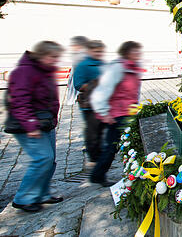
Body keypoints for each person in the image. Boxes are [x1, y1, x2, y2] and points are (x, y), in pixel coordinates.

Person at [4, 41, 65, 212]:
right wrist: (31, 125)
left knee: (50, 160)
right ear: (41, 55)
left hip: (45, 123)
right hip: (28, 125)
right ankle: (24, 198)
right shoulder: (24, 72)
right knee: (42, 158)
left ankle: (42, 193)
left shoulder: (45, 71)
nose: (55, 60)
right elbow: (19, 101)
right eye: (52, 57)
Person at [90, 41, 143, 187]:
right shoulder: (117, 68)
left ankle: (133, 172)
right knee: (111, 146)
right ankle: (98, 175)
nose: (139, 54)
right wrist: (104, 113)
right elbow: (103, 91)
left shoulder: (134, 68)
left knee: (130, 144)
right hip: (117, 115)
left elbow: (134, 92)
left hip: (129, 113)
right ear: (127, 52)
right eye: (135, 52)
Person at [72, 40, 106, 163]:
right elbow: (78, 85)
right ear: (90, 51)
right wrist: (96, 84)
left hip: (102, 103)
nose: (99, 53)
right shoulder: (83, 65)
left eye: (101, 51)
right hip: (90, 105)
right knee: (92, 131)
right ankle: (94, 158)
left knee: (101, 130)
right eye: (96, 51)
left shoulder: (102, 63)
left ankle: (99, 151)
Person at [64, 36, 89, 106]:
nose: (71, 47)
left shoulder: (81, 57)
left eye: (73, 45)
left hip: (81, 92)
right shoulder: (78, 56)